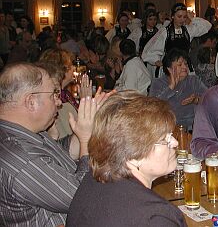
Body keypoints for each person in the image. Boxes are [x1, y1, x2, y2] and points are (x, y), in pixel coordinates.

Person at [0, 63, 110, 226]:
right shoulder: (20, 158)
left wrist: (82, 131)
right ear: (31, 102)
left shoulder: (21, 132)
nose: (59, 102)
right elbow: (82, 198)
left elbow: (56, 153)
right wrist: (86, 139)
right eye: (53, 95)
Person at [66, 92, 187, 226]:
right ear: (133, 156)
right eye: (165, 139)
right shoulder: (156, 217)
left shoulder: (91, 180)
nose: (175, 143)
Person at [142, 3, 211, 77]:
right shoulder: (165, 32)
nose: (182, 19)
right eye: (179, 16)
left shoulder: (188, 30)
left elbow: (207, 26)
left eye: (184, 17)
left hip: (185, 67)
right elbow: (149, 50)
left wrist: (192, 19)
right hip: (170, 70)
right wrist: (156, 61)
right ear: (172, 16)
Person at [149, 49, 206, 131]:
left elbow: (209, 99)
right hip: (167, 128)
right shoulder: (158, 83)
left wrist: (196, 100)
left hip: (192, 128)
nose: (184, 67)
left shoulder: (193, 80)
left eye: (185, 64)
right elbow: (152, 107)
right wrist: (171, 87)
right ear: (169, 68)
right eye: (179, 64)